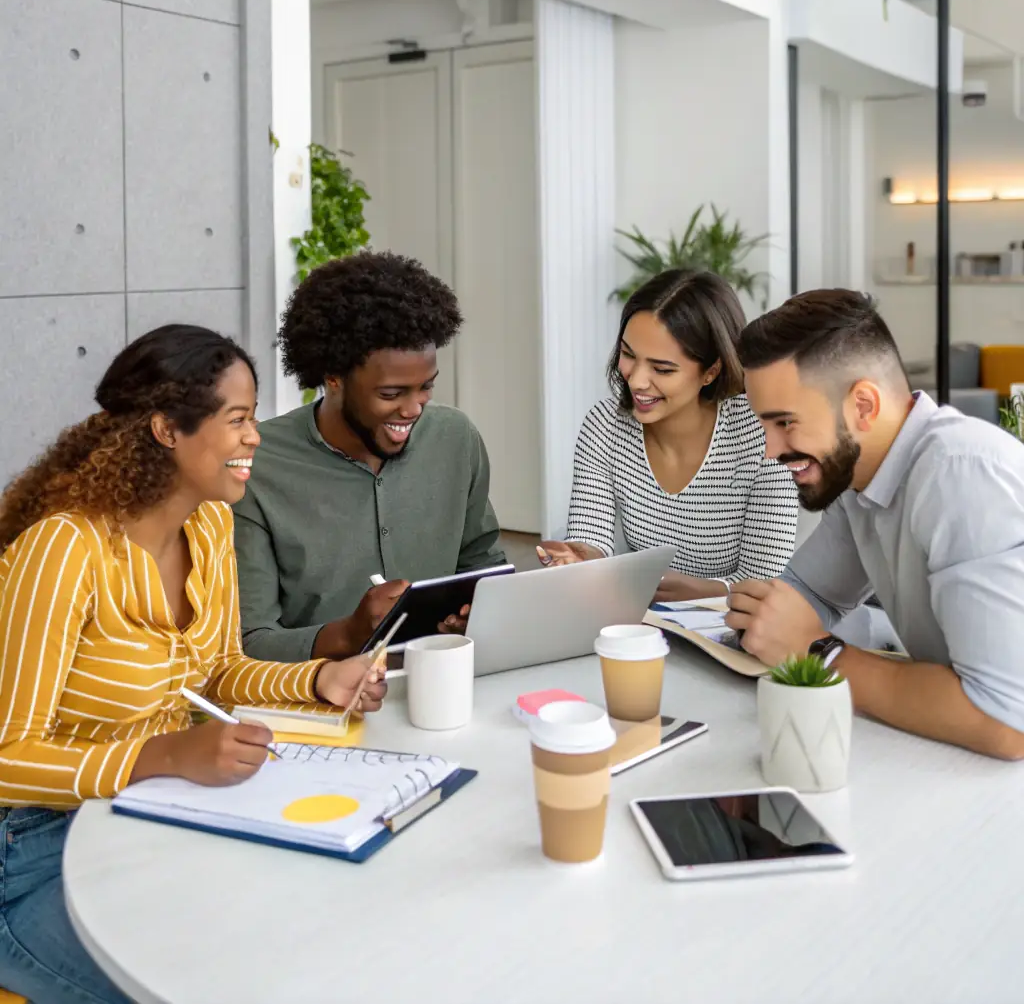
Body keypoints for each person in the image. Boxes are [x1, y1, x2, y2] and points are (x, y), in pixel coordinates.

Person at [0, 324, 385, 1004]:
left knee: (294, 940)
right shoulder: (63, 550)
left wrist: (319, 677)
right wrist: (165, 756)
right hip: (25, 857)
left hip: (141, 819)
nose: (255, 436)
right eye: (237, 418)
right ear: (167, 429)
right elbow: (7, 756)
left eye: (255, 417)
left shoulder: (207, 527)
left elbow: (219, 674)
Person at [729, 288, 1024, 759]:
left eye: (785, 423)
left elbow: (1005, 722)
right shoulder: (860, 478)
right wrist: (764, 616)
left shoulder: (959, 474)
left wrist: (817, 652)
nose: (770, 450)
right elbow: (809, 596)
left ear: (863, 407)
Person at [235, 252, 504, 662]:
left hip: (446, 678)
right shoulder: (258, 466)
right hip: (320, 703)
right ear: (333, 378)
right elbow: (251, 641)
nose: (414, 408)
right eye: (391, 394)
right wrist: (349, 634)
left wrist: (476, 615)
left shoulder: (456, 439)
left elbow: (484, 566)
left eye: (425, 387)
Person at [537, 270, 799, 600]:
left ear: (711, 371)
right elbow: (592, 541)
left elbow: (764, 581)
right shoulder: (604, 426)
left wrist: (703, 591)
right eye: (629, 354)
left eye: (662, 369)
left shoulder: (762, 434)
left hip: (738, 629)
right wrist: (579, 560)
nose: (637, 381)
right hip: (646, 622)